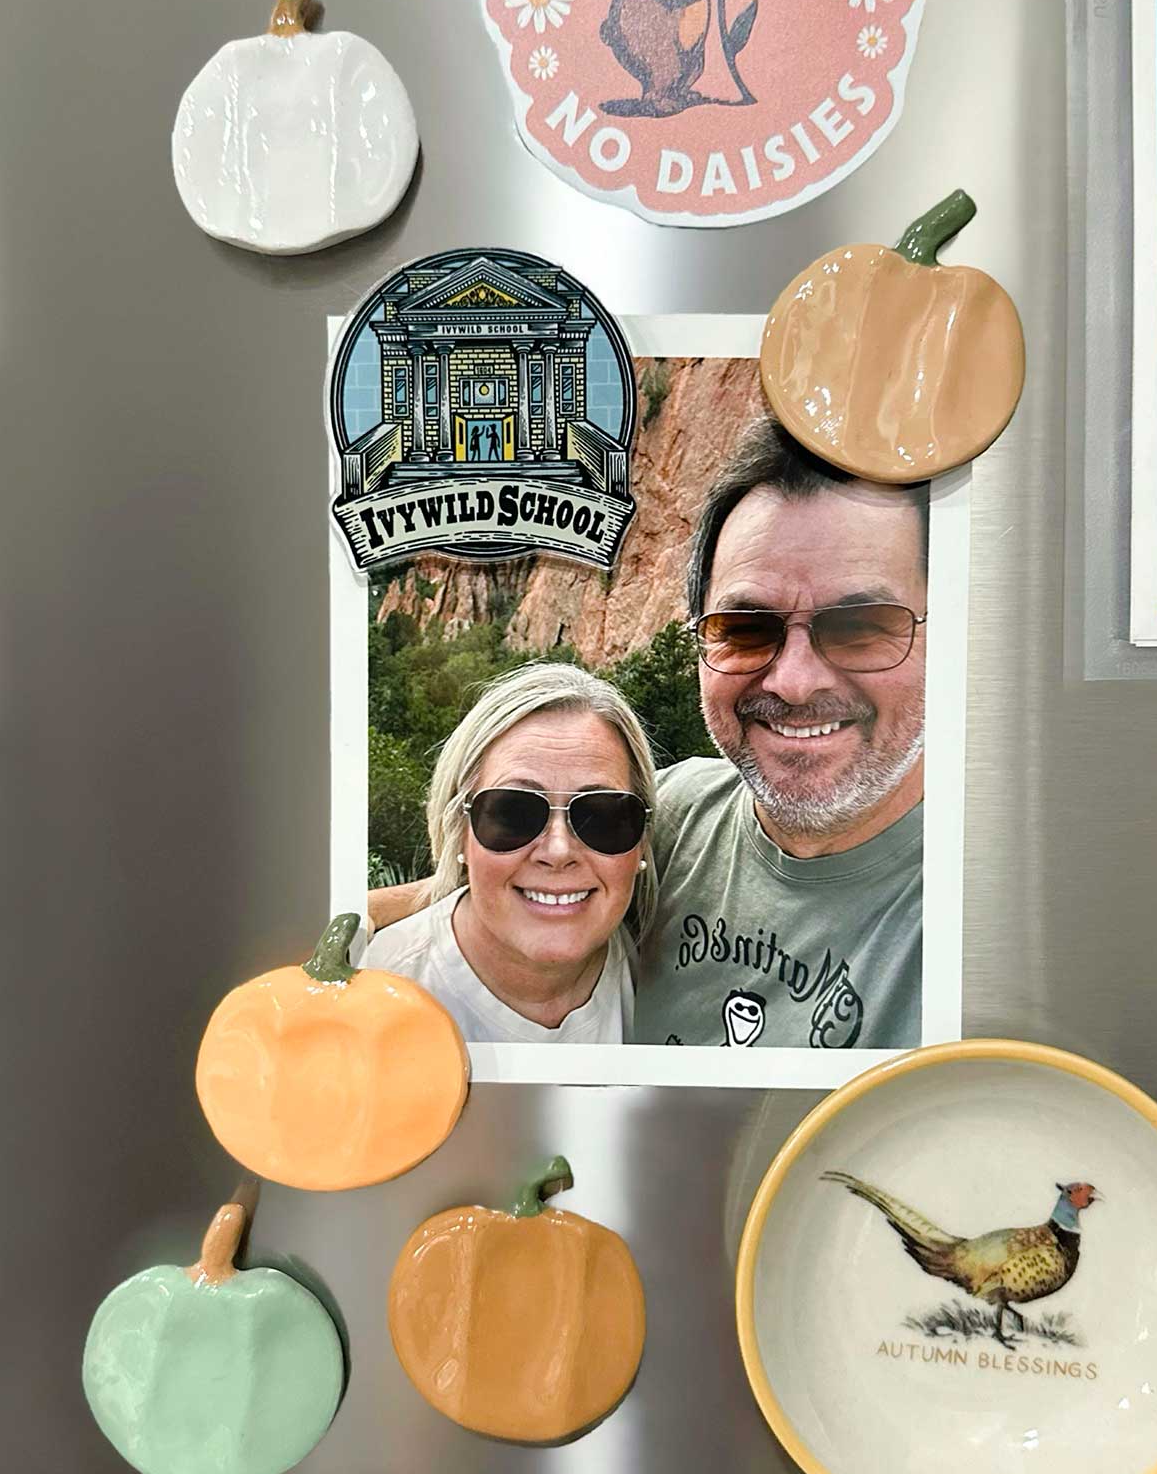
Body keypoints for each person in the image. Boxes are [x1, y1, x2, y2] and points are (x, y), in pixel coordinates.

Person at [631, 416, 928, 1050]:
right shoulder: (665, 820)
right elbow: (465, 902)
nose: (792, 683)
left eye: (861, 626)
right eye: (746, 630)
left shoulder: (989, 915)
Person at [364, 663, 656, 1044]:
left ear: (643, 843)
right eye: (513, 812)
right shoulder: (372, 995)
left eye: (601, 816)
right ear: (460, 830)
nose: (558, 850)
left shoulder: (671, 982)